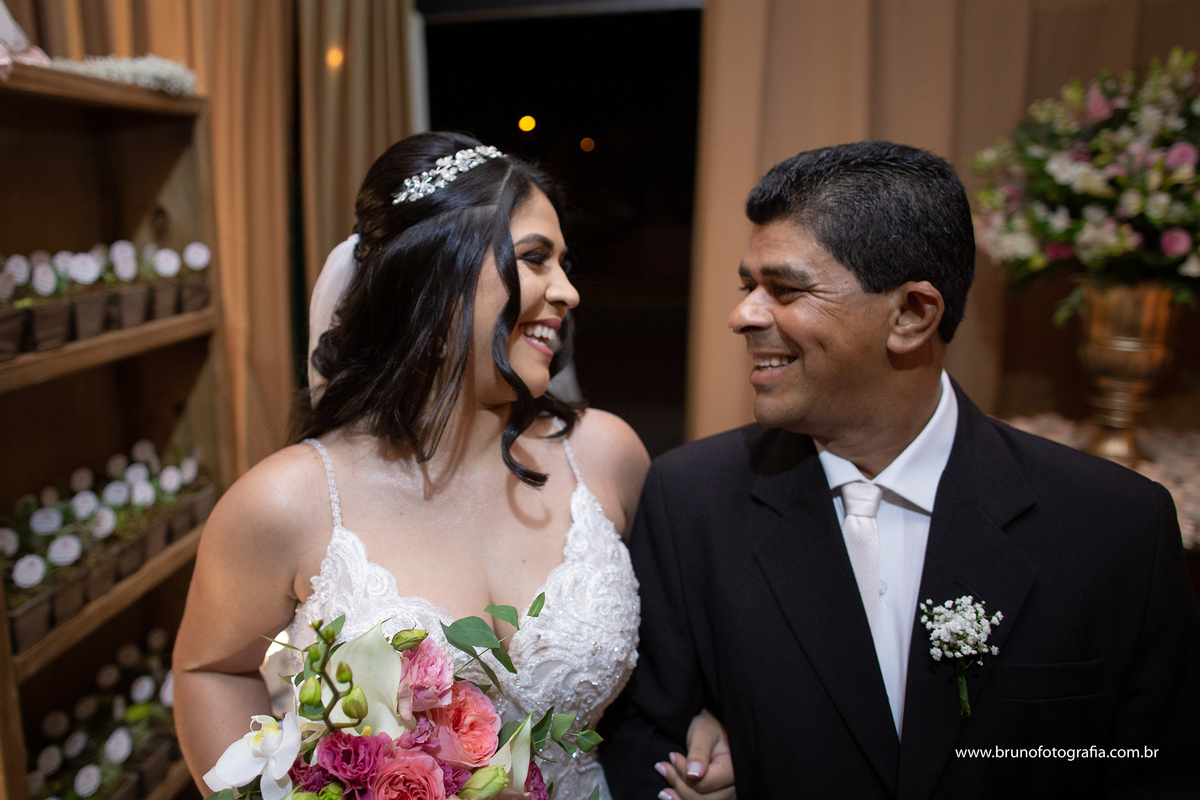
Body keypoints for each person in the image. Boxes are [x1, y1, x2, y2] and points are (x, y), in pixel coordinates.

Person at [601, 141, 1200, 798]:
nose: (742, 315)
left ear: (913, 315)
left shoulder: (1115, 526)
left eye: (785, 289)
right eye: (749, 287)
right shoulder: (692, 502)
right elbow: (640, 737)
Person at [172, 132, 731, 800]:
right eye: (536, 259)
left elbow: (670, 652)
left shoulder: (606, 456)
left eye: (565, 262)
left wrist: (703, 719)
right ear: (434, 278)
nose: (569, 291)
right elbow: (212, 670)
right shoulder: (287, 501)